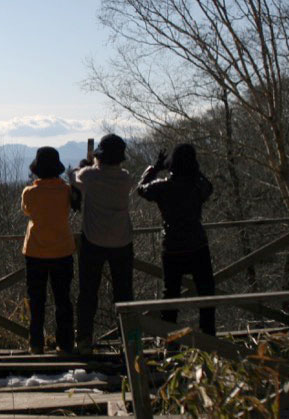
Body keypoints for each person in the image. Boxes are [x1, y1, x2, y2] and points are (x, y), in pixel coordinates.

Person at [137, 143, 215, 335]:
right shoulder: (197, 186)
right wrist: (196, 171)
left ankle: (171, 342)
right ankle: (209, 338)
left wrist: (155, 168)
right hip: (197, 244)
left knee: (170, 296)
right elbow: (209, 187)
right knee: (206, 293)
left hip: (172, 247)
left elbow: (141, 188)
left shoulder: (162, 187)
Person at [69, 133, 135, 355]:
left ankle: (84, 339)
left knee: (88, 292)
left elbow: (73, 176)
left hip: (93, 240)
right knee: (125, 293)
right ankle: (130, 340)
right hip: (122, 240)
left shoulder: (89, 176)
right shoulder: (125, 178)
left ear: (100, 156)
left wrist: (83, 165)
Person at [21, 146, 76, 355]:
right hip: (63, 250)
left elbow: (27, 210)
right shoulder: (66, 191)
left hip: (35, 252)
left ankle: (36, 344)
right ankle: (66, 344)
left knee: (37, 301)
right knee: (63, 300)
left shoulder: (30, 193)